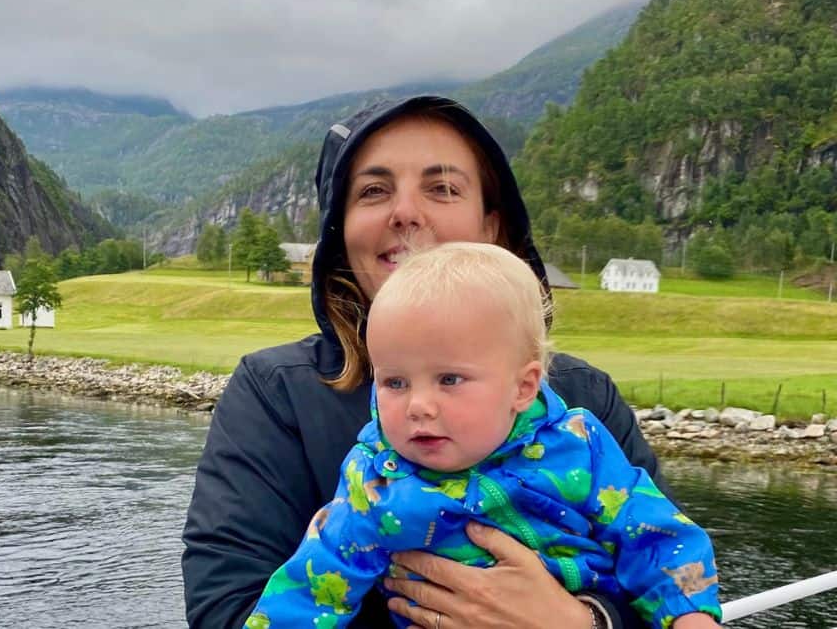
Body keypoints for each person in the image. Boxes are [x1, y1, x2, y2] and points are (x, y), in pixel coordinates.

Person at [183, 96, 675, 628]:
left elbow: (662, 562)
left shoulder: (585, 398)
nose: (406, 213)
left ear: (491, 226)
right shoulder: (276, 394)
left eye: (442, 188)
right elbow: (225, 610)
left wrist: (585, 622)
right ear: (339, 231)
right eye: (373, 190)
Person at [243, 242, 722, 629]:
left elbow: (655, 532)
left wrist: (691, 614)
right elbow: (317, 580)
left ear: (523, 386)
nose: (418, 405)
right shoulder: (375, 483)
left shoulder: (579, 447)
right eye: (395, 382)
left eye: (449, 379)